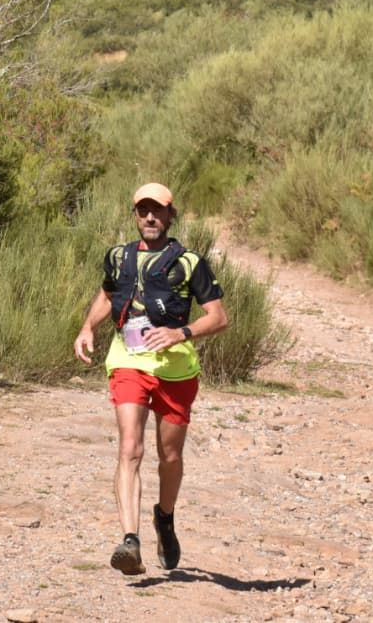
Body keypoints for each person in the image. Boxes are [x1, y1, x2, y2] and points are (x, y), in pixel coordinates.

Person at [73, 182, 228, 576]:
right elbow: (107, 295)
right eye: (143, 210)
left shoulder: (189, 263)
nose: (150, 217)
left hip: (176, 369)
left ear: (170, 215)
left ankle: (165, 517)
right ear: (135, 215)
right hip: (128, 361)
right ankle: (130, 540)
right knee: (130, 448)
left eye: (157, 210)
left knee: (169, 456)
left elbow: (218, 317)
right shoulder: (118, 257)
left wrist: (181, 333)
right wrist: (88, 327)